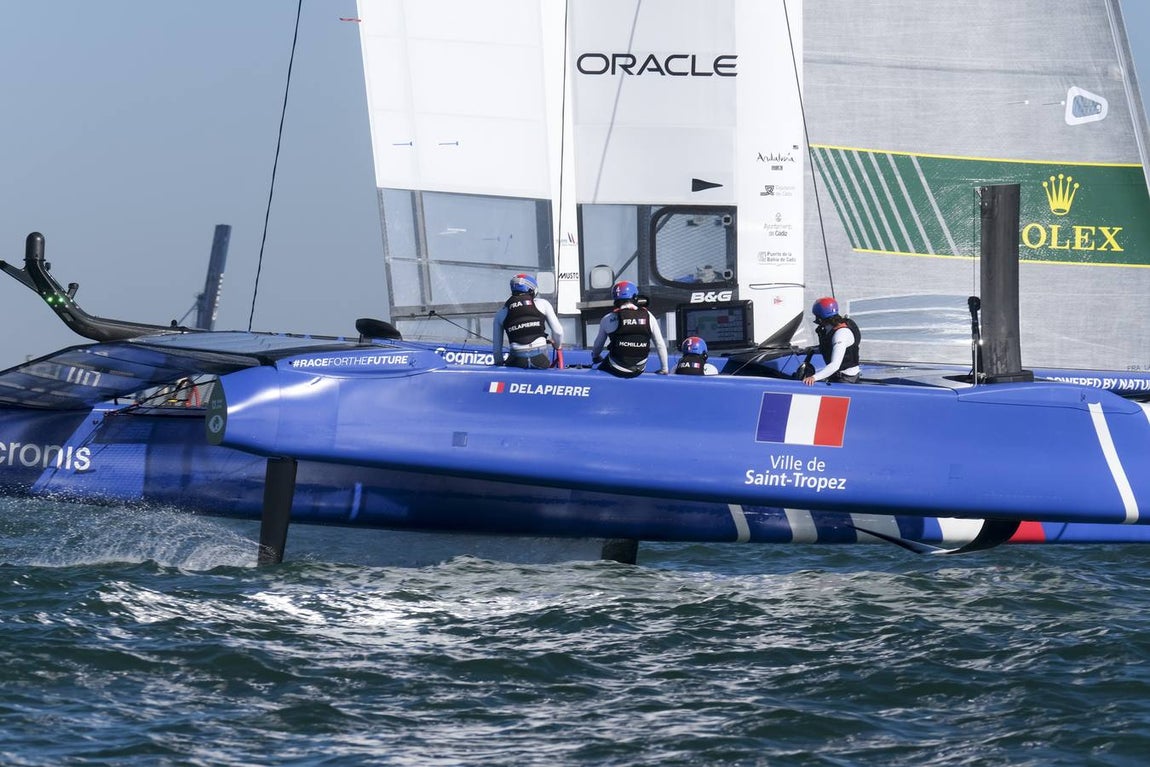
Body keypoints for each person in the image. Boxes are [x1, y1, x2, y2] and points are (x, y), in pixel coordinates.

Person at [591, 280, 669, 377]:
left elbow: (598, 345)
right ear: (635, 297)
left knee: (598, 368)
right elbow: (660, 344)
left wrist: (595, 356)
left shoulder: (608, 319)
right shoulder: (648, 316)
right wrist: (664, 369)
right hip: (640, 368)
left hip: (617, 368)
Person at [492, 273, 563, 369]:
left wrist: (499, 363)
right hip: (540, 358)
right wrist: (557, 346)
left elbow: (497, 351)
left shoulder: (501, 313)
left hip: (517, 359)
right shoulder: (543, 304)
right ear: (532, 289)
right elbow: (558, 332)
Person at [803, 297, 861, 385]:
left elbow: (835, 365)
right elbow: (830, 347)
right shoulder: (831, 328)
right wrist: (811, 350)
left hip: (846, 379)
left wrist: (814, 378)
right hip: (837, 375)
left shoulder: (841, 333)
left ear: (820, 317)